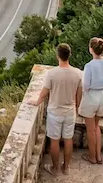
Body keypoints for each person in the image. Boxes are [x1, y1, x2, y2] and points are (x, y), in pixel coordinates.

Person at [34, 43, 82, 175]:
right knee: (68, 139)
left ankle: (54, 168)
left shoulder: (51, 74)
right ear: (69, 55)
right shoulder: (78, 73)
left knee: (54, 141)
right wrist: (77, 108)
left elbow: (44, 93)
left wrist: (37, 102)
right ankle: (66, 168)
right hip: (70, 111)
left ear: (57, 56)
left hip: (55, 111)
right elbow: (79, 95)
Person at [79, 37, 103, 165]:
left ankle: (92, 157)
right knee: (96, 126)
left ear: (91, 49)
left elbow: (86, 85)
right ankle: (99, 156)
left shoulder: (89, 66)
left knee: (90, 129)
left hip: (91, 97)